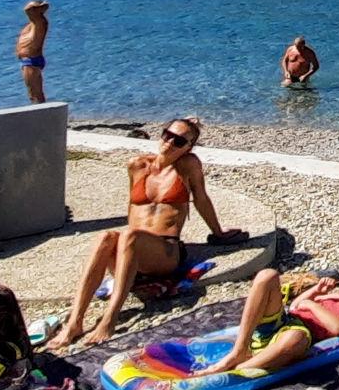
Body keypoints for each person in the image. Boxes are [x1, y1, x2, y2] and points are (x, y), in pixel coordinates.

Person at [47, 118, 246, 349]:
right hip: (132, 251)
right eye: (167, 135)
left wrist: (219, 233)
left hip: (165, 252)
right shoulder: (137, 165)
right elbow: (133, 209)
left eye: (179, 140)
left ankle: (110, 319)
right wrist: (121, 247)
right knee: (106, 237)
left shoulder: (188, 166)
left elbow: (201, 199)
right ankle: (74, 322)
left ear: (188, 147)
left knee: (130, 235)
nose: (170, 142)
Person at [206, 255, 339, 375]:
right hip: (285, 321)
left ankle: (240, 371)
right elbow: (295, 306)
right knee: (267, 276)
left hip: (299, 333)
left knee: (294, 338)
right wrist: (315, 291)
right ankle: (239, 350)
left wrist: (311, 305)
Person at [15, 0, 50, 103]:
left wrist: (41, 5)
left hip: (31, 61)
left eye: (34, 9)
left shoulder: (39, 21)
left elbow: (27, 9)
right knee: (36, 94)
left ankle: (43, 117)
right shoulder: (31, 25)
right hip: (29, 60)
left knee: (34, 95)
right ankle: (43, 115)